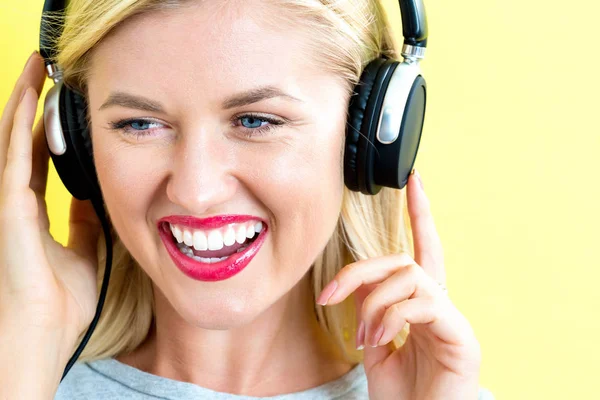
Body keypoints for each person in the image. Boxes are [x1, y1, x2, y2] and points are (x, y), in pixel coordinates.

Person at [0, 0, 495, 398]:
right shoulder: (24, 378)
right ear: (77, 146)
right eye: (139, 124)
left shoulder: (440, 392)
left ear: (365, 138)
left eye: (256, 120)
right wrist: (23, 361)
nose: (195, 192)